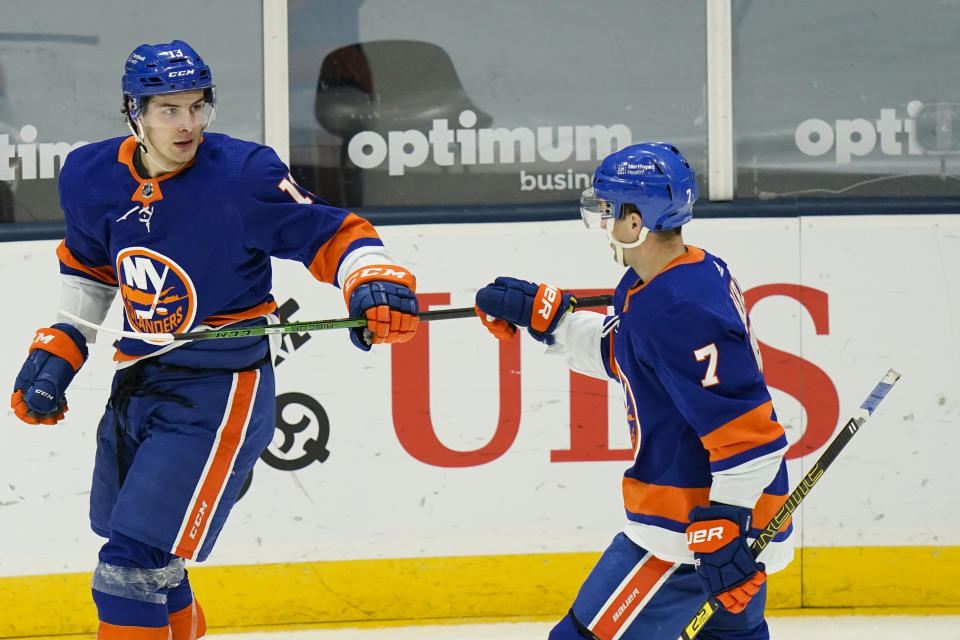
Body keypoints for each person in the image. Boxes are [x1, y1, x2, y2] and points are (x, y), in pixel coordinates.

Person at [10, 40, 418, 639]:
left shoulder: (242, 174)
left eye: (198, 106)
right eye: (170, 109)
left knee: (129, 564)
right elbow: (91, 270)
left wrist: (373, 281)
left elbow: (333, 233)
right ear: (135, 111)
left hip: (220, 388)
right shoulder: (89, 176)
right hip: (139, 380)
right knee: (148, 555)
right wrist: (57, 349)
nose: (189, 123)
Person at [474, 142, 794, 640]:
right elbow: (630, 357)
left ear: (635, 220)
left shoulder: (681, 307)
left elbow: (749, 434)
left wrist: (724, 525)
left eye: (608, 211)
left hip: (692, 536)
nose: (603, 224)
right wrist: (552, 322)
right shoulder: (677, 276)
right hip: (725, 540)